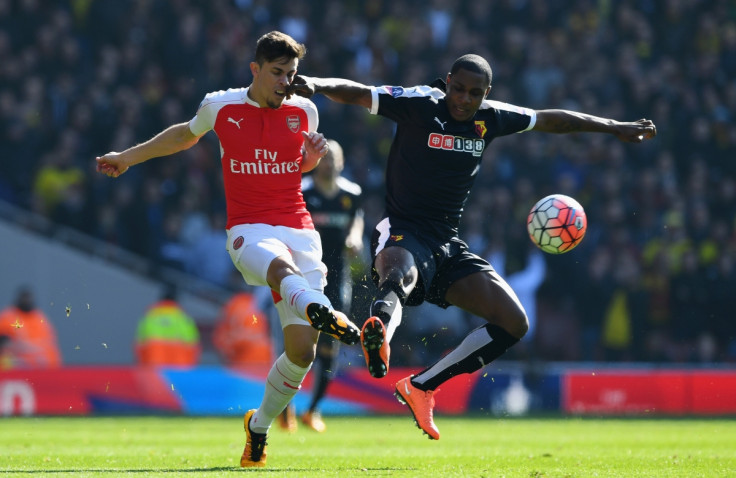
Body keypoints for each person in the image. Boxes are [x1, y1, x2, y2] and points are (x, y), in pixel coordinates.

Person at [290, 54, 657, 440]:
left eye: (474, 94)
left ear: (487, 94)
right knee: (399, 274)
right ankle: (379, 330)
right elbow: (361, 93)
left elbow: (550, 119)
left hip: (447, 243)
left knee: (514, 322)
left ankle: (422, 386)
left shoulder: (492, 117)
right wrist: (315, 83)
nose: (464, 99)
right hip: (402, 229)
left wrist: (613, 127)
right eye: (458, 89)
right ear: (447, 81)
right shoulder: (419, 103)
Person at [95, 31, 361, 468]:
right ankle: (326, 311)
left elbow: (296, 166)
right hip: (249, 230)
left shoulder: (304, 110)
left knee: (302, 353)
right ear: (254, 69)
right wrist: (126, 157)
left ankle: (258, 428)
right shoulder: (221, 105)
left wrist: (312, 158)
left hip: (298, 227)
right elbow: (184, 135)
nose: (285, 83)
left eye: (292, 74)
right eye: (277, 73)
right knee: (278, 269)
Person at [298, 139, 365, 432]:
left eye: (332, 157)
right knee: (299, 343)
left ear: (341, 162)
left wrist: (355, 237)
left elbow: (357, 220)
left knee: (330, 343)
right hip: (304, 276)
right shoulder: (301, 190)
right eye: (323, 158)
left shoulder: (352, 194)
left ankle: (312, 410)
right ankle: (286, 405)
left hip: (338, 278)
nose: (328, 163)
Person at [135, 287, 201, 366]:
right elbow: (193, 347)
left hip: (154, 367)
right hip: (179, 369)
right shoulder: (184, 319)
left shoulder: (149, 318)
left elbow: (139, 346)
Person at [0, 286, 62, 368]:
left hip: (44, 366)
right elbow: (4, 343)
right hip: (17, 367)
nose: (27, 301)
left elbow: (50, 341)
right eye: (24, 299)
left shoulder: (39, 317)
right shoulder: (8, 317)